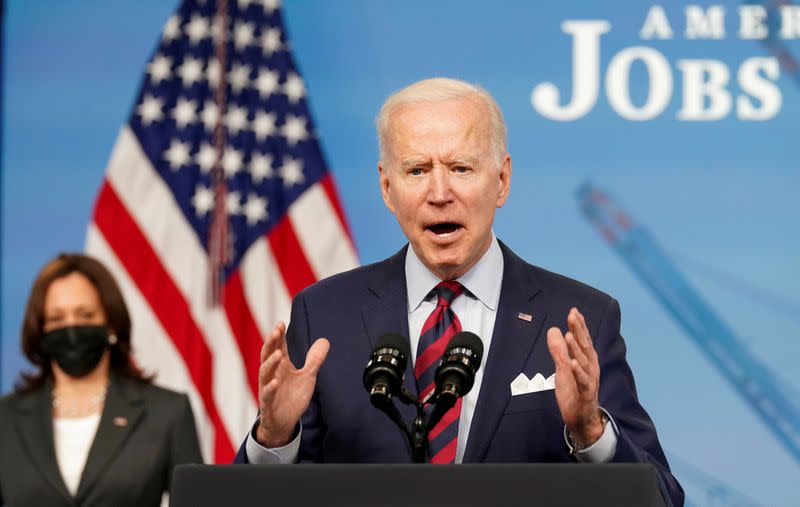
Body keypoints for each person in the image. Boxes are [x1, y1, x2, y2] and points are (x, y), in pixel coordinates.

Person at [233, 78, 684, 506]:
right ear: (388, 189)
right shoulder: (325, 315)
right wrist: (274, 438)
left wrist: (590, 432)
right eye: (416, 170)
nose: (439, 192)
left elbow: (661, 497)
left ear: (502, 180)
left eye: (461, 167)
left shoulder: (580, 317)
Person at [0, 253, 202, 507]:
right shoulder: (5, 418)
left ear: (111, 324)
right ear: (40, 330)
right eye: (57, 319)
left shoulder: (167, 412)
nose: (71, 327)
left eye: (85, 315)